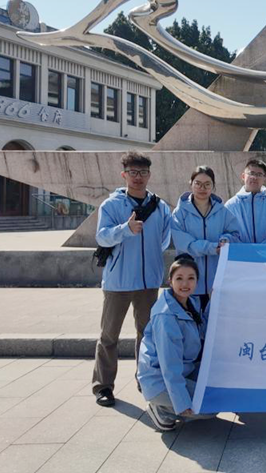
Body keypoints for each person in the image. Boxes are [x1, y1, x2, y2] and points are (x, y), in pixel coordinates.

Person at [93, 151, 173, 407]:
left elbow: (164, 239)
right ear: (124, 175)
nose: (138, 177)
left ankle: (145, 379)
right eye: (133, 173)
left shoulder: (160, 207)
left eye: (143, 172)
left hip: (148, 282)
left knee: (146, 335)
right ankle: (103, 386)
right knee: (109, 336)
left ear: (149, 175)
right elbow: (102, 237)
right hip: (118, 281)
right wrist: (125, 230)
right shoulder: (112, 205)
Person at [137, 254, 215, 431]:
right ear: (170, 281)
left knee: (218, 391)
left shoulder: (190, 302)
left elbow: (203, 329)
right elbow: (169, 366)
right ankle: (162, 409)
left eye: (191, 278)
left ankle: (172, 403)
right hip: (158, 380)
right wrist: (182, 402)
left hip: (185, 369)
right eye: (179, 278)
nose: (185, 284)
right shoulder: (166, 316)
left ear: (197, 282)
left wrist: (213, 301)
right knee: (211, 407)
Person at [170, 166, 242, 309]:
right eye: (198, 183)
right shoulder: (179, 213)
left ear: (213, 186)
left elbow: (236, 234)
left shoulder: (223, 212)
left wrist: (226, 240)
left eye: (207, 184)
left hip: (217, 279)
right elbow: (185, 244)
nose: (202, 188)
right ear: (191, 184)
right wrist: (212, 248)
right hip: (189, 280)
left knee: (215, 319)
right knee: (191, 318)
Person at [224, 158, 266, 244]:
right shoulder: (231, 205)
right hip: (240, 252)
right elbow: (227, 233)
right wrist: (246, 250)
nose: (254, 177)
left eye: (259, 174)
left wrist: (260, 250)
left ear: (264, 178)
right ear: (243, 176)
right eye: (251, 173)